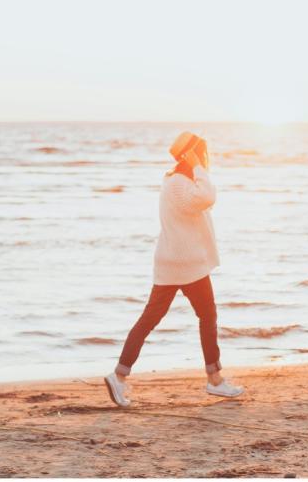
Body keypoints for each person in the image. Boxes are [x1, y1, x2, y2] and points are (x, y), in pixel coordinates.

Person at [104, 131, 245, 407]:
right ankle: (214, 380)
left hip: (174, 262)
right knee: (206, 317)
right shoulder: (181, 183)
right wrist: (196, 165)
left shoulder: (174, 180)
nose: (205, 159)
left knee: (152, 319)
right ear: (191, 155)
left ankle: (119, 375)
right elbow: (207, 196)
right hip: (187, 265)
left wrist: (195, 167)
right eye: (201, 153)